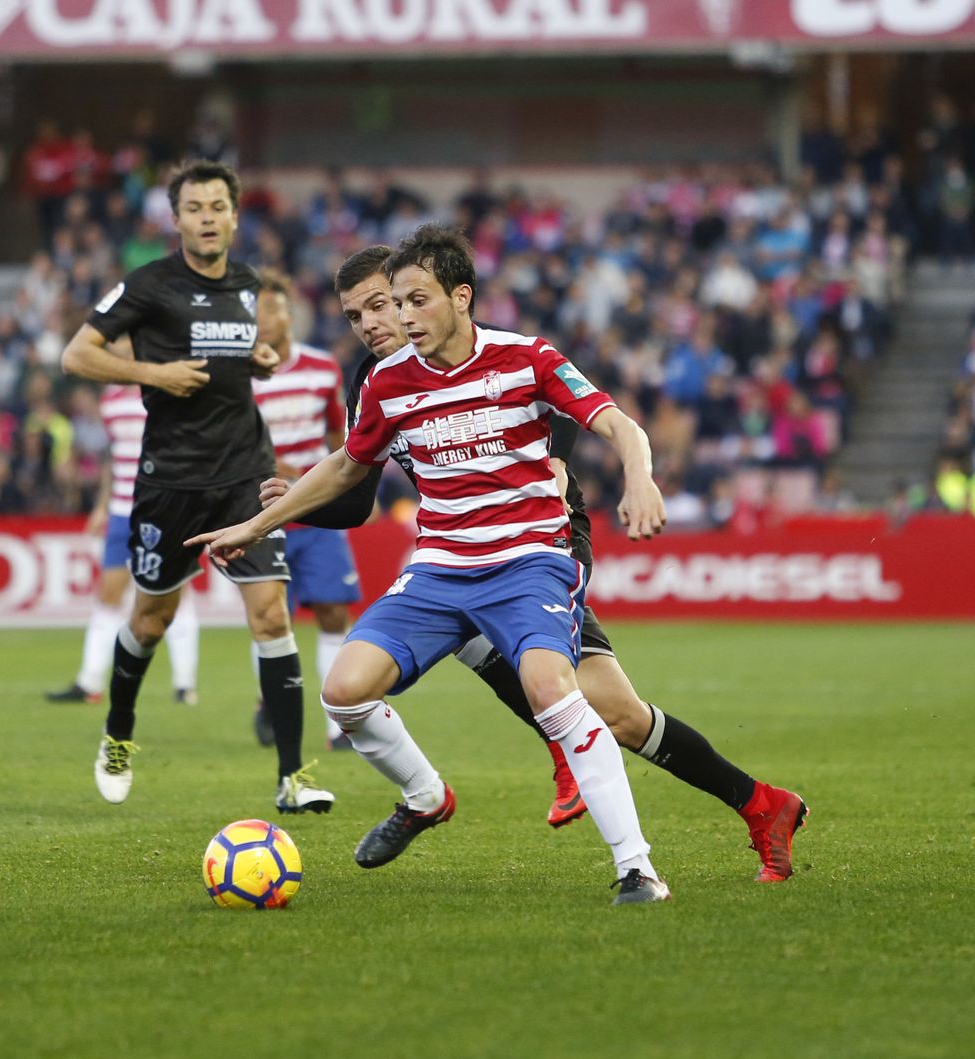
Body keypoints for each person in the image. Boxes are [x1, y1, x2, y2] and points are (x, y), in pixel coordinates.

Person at [190, 224, 670, 905]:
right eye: (394, 304)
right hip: (441, 569)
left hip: (528, 561)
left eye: (415, 301)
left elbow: (619, 423)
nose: (401, 317)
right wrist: (256, 524)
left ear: (460, 297)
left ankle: (637, 868)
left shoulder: (527, 357)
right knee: (344, 690)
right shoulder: (387, 382)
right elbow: (346, 467)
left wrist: (640, 478)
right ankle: (426, 794)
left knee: (550, 689)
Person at [303, 244, 807, 883]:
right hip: (456, 553)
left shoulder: (496, 353)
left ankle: (601, 769)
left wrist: (573, 466)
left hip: (540, 541)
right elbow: (355, 495)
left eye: (387, 303)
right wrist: (291, 503)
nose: (377, 322)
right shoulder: (377, 383)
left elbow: (561, 415)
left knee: (605, 708)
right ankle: (750, 802)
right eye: (357, 315)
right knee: (581, 696)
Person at [61, 160, 334, 815]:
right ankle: (118, 734)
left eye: (218, 207)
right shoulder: (149, 285)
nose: (207, 218)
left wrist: (255, 360)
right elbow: (76, 354)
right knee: (151, 620)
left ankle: (293, 777)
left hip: (246, 474)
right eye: (195, 208)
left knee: (271, 615)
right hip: (173, 482)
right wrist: (153, 374)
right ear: (176, 219)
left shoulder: (247, 285)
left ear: (235, 217)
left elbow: (233, 360)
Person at [248, 269, 360, 751]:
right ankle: (271, 703)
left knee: (333, 611)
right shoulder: (239, 376)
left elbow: (339, 434)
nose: (264, 319)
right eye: (255, 311)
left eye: (271, 308)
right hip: (261, 515)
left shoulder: (321, 368)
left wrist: (341, 481)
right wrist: (267, 464)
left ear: (289, 313)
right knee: (272, 617)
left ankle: (340, 724)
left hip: (317, 512)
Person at [47, 380, 201, 707]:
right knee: (109, 594)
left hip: (162, 509)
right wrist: (101, 507)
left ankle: (184, 683)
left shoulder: (166, 391)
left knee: (176, 592)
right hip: (120, 512)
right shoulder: (111, 401)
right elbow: (112, 460)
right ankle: (89, 681)